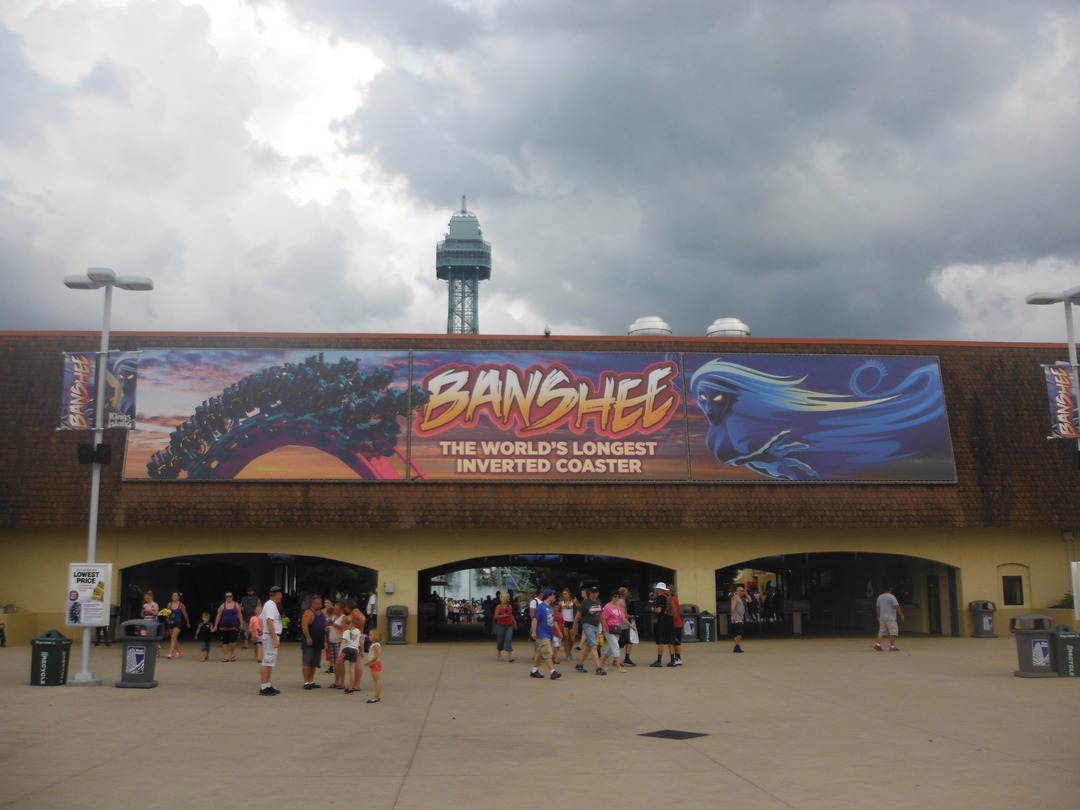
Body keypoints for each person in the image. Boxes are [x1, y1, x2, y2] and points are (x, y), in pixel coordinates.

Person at [529, 589, 561, 680]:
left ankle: (534, 670)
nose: (554, 597)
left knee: (540, 653)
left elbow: (554, 621)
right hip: (542, 634)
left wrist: (559, 631)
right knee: (547, 652)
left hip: (548, 633)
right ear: (548, 596)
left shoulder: (550, 608)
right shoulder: (541, 607)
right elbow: (535, 619)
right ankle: (552, 671)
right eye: (553, 595)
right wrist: (534, 631)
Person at [258, 585, 283, 695]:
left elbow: (260, 619)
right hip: (270, 636)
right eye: (280, 594)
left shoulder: (271, 605)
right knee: (267, 660)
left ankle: (267, 684)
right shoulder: (270, 605)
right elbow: (269, 621)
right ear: (276, 594)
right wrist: (274, 638)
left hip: (270, 635)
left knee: (270, 661)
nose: (281, 596)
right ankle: (263, 687)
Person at [574, 585, 605, 675]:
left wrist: (603, 627)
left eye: (596, 592)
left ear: (598, 593)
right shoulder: (586, 602)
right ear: (590, 593)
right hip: (588, 625)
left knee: (589, 646)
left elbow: (600, 615)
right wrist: (574, 626)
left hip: (596, 625)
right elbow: (578, 614)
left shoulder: (599, 601)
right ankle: (598, 667)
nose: (594, 594)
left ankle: (579, 664)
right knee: (594, 646)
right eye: (592, 592)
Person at [300, 594, 326, 689]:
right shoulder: (308, 613)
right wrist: (308, 637)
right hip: (310, 641)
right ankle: (306, 682)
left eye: (320, 603)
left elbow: (324, 625)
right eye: (317, 603)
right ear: (312, 603)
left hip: (319, 641)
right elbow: (304, 626)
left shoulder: (322, 614)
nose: (319, 605)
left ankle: (311, 680)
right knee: (307, 661)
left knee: (314, 662)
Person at [599, 590, 628, 673]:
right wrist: (604, 628)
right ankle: (618, 666)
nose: (617, 598)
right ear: (612, 597)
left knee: (610, 649)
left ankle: (600, 663)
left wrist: (630, 626)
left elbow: (623, 618)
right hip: (609, 629)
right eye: (615, 596)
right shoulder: (608, 606)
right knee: (616, 647)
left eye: (618, 597)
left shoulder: (618, 607)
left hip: (617, 629)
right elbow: (604, 618)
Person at [650, 582, 678, 666]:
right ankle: (673, 660)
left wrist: (652, 609)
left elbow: (658, 610)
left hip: (662, 620)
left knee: (661, 640)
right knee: (670, 641)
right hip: (670, 620)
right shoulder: (669, 598)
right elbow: (674, 612)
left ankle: (659, 660)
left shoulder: (660, 598)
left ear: (659, 590)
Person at [212, 590, 243, 662]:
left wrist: (241, 624)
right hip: (224, 626)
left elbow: (239, 614)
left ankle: (232, 654)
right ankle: (225, 656)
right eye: (227, 596)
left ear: (232, 597)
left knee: (233, 641)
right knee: (225, 641)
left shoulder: (236, 604)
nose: (228, 598)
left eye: (230, 596)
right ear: (225, 597)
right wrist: (215, 625)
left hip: (234, 625)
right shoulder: (222, 606)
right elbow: (218, 616)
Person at [875, 585, 905, 651]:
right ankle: (892, 646)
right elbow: (897, 606)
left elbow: (878, 607)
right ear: (890, 590)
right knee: (893, 632)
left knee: (881, 631)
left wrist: (878, 615)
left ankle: (878, 644)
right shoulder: (892, 597)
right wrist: (901, 614)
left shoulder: (880, 597)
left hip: (882, 618)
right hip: (891, 618)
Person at [339, 615, 362, 694]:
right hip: (355, 650)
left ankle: (341, 681)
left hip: (346, 649)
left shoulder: (345, 632)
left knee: (341, 663)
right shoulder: (358, 631)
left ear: (346, 623)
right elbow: (360, 641)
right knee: (352, 670)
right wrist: (362, 650)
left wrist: (339, 653)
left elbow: (343, 643)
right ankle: (351, 688)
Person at [164, 592, 190, 659]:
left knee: (173, 637)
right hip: (171, 622)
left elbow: (185, 614)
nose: (174, 597)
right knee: (173, 638)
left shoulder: (181, 605)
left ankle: (170, 653)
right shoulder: (169, 604)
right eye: (173, 595)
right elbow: (168, 613)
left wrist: (187, 622)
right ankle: (178, 651)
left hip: (178, 622)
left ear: (178, 597)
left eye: (175, 595)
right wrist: (167, 619)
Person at [326, 601, 345, 688]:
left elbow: (345, 629)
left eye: (337, 609)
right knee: (335, 662)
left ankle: (342, 682)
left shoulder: (343, 618)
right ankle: (336, 681)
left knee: (340, 662)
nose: (335, 611)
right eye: (335, 609)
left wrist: (337, 626)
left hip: (339, 641)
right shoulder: (333, 617)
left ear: (341, 609)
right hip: (332, 641)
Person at [617, 586, 638, 666]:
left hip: (619, 623)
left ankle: (623, 658)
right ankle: (623, 658)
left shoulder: (617, 601)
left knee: (624, 641)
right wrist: (630, 616)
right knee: (626, 641)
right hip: (623, 624)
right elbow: (623, 614)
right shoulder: (622, 602)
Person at [493, 592, 515, 662]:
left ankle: (510, 656)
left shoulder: (510, 606)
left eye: (509, 597)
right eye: (508, 597)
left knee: (508, 639)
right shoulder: (499, 606)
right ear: (504, 598)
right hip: (500, 625)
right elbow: (495, 616)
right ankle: (499, 654)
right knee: (500, 640)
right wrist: (502, 616)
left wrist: (514, 622)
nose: (509, 598)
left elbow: (511, 615)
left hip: (509, 625)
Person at [558, 588, 578, 664]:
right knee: (566, 637)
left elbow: (580, 609)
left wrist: (577, 603)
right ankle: (567, 655)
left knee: (572, 639)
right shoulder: (561, 603)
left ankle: (569, 650)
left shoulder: (573, 602)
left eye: (566, 594)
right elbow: (557, 610)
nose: (564, 595)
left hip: (572, 621)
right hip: (564, 622)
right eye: (563, 594)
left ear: (569, 594)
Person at [365, 629, 383, 702]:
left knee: (376, 681)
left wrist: (369, 662)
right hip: (373, 664)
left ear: (375, 637)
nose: (369, 636)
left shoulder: (375, 645)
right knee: (376, 681)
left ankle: (376, 697)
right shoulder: (374, 645)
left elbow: (377, 656)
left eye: (371, 635)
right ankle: (377, 696)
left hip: (375, 664)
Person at [731, 585, 750, 653]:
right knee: (739, 632)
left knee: (738, 633)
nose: (743, 592)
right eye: (742, 591)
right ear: (738, 591)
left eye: (743, 590)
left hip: (741, 617)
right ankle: (736, 646)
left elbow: (750, 600)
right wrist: (734, 616)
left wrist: (746, 593)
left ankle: (737, 646)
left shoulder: (742, 598)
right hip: (736, 617)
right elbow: (733, 607)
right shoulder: (735, 598)